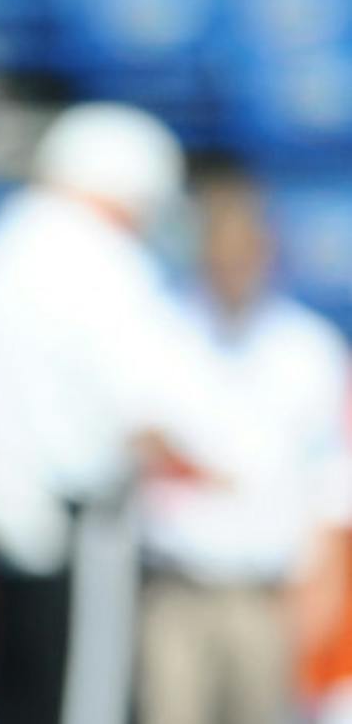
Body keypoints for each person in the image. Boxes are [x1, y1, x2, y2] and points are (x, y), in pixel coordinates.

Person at [0, 102, 231, 724]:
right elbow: (145, 411)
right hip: (78, 522)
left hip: (3, 517)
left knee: (19, 696)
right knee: (81, 702)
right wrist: (229, 479)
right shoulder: (101, 264)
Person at [136, 163, 352, 724]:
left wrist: (325, 576)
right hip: (174, 587)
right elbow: (135, 435)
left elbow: (328, 475)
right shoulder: (158, 332)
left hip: (267, 592)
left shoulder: (308, 348)